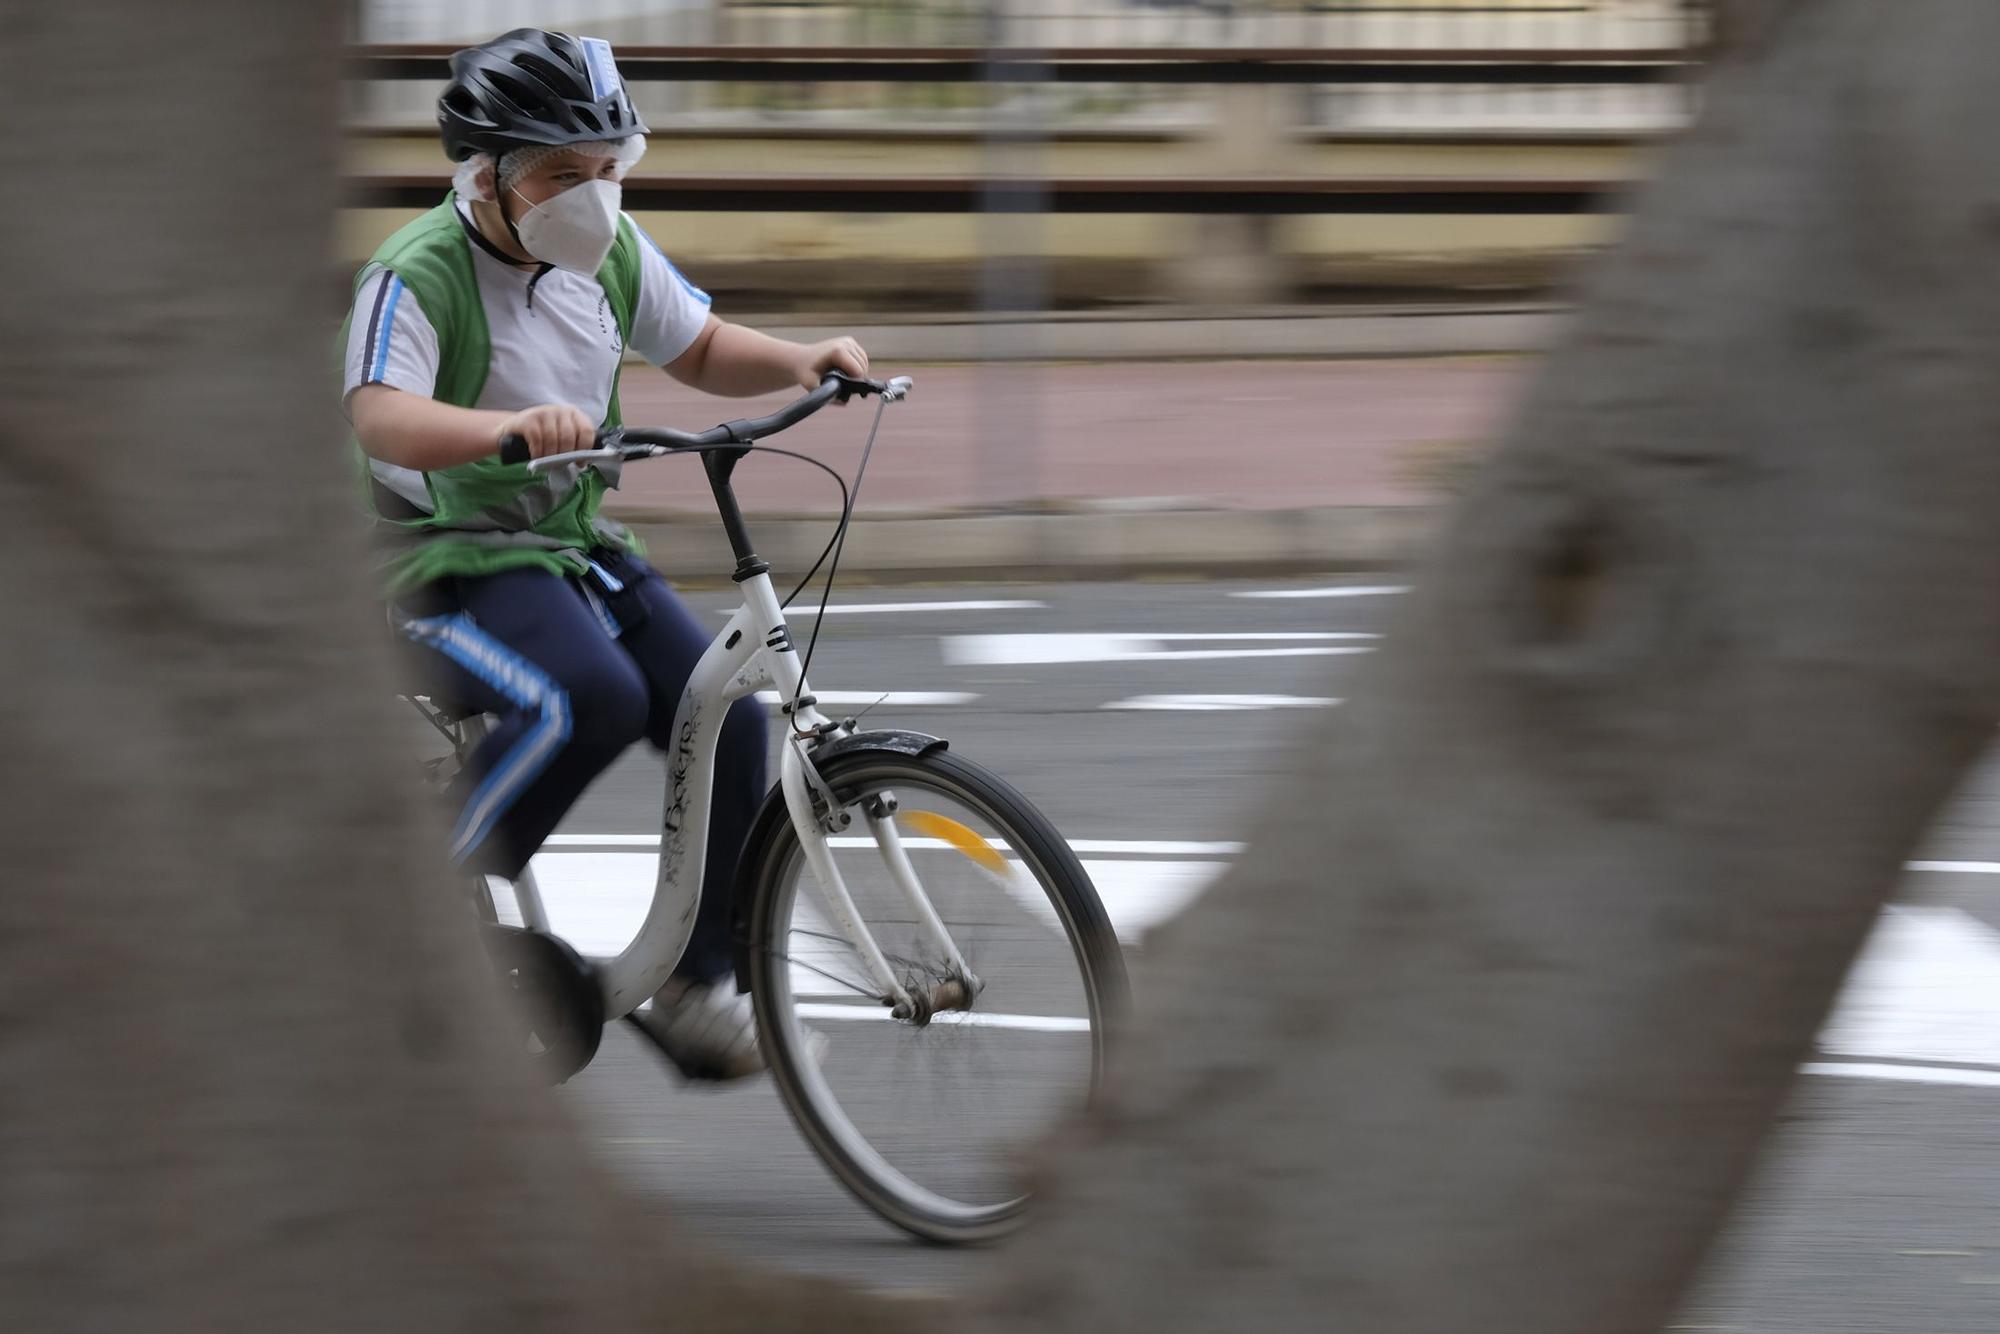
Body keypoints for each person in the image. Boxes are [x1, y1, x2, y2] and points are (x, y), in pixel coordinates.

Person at [340, 27, 868, 1079]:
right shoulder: (418, 270)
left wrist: (799, 358)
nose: (592, 194)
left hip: (569, 543)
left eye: (605, 169)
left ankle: (693, 984)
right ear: (485, 174)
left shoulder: (606, 254)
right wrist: (502, 430)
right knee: (580, 697)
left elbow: (702, 345)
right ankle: (407, 923)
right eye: (560, 174)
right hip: (440, 562)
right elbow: (379, 414)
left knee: (723, 712)